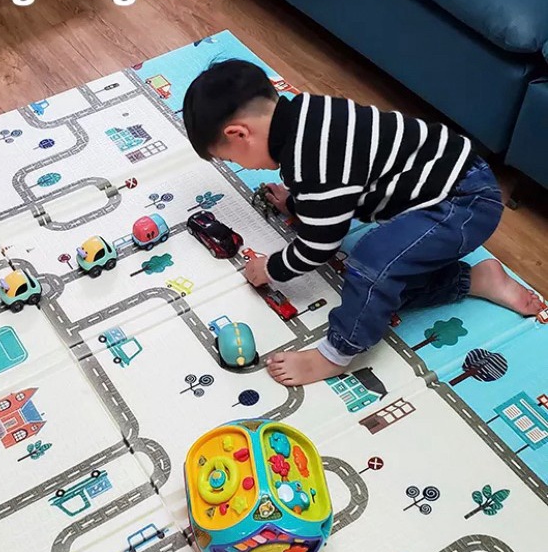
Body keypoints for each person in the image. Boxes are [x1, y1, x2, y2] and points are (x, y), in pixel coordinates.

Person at [182, 59, 544, 386]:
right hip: (449, 185)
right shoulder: (307, 115)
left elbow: (319, 245)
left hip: (463, 203)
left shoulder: (312, 157)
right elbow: (336, 186)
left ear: (239, 134)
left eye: (233, 160)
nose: (243, 167)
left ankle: (337, 353)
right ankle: (473, 280)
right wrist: (295, 202)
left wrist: (271, 269)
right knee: (379, 295)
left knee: (371, 264)